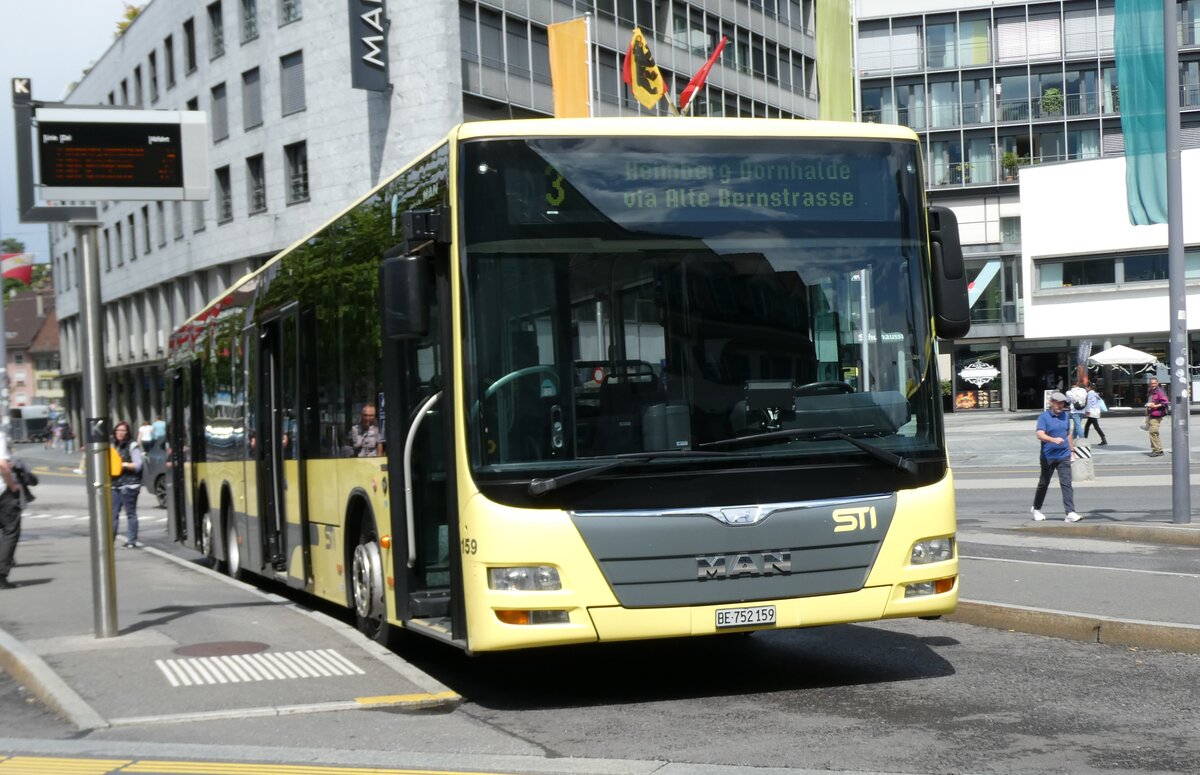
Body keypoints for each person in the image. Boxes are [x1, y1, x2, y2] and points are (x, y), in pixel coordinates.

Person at [1031, 391, 1082, 523]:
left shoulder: (1065, 416)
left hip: (1064, 455)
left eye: (1062, 403)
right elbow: (1040, 434)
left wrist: (1071, 450)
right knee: (1044, 483)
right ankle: (1036, 508)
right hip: (1048, 456)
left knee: (1066, 483)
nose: (1060, 406)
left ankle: (1070, 512)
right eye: (1058, 403)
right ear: (1051, 403)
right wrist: (1053, 440)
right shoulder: (1044, 417)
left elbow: (1068, 434)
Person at [111, 421, 144, 548]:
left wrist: (122, 465)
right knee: (113, 514)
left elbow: (138, 465)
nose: (120, 433)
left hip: (129, 485)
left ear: (127, 432)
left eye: (123, 431)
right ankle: (110, 541)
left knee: (130, 513)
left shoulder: (132, 446)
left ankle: (131, 541)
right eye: (118, 430)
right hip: (115, 484)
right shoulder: (113, 445)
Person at [0, 457, 22, 589]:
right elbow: (2, 465)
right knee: (10, 532)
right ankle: (1, 575)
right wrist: (12, 486)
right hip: (3, 494)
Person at [1145, 377, 1169, 457]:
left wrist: (1155, 406)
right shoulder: (1150, 391)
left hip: (1157, 414)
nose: (1153, 385)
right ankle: (1157, 449)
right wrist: (1147, 410)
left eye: (1154, 383)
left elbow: (1165, 402)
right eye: (1151, 383)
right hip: (1151, 413)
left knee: (1153, 432)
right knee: (1152, 432)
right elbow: (1150, 401)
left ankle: (1158, 450)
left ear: (1157, 383)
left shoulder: (1159, 391)